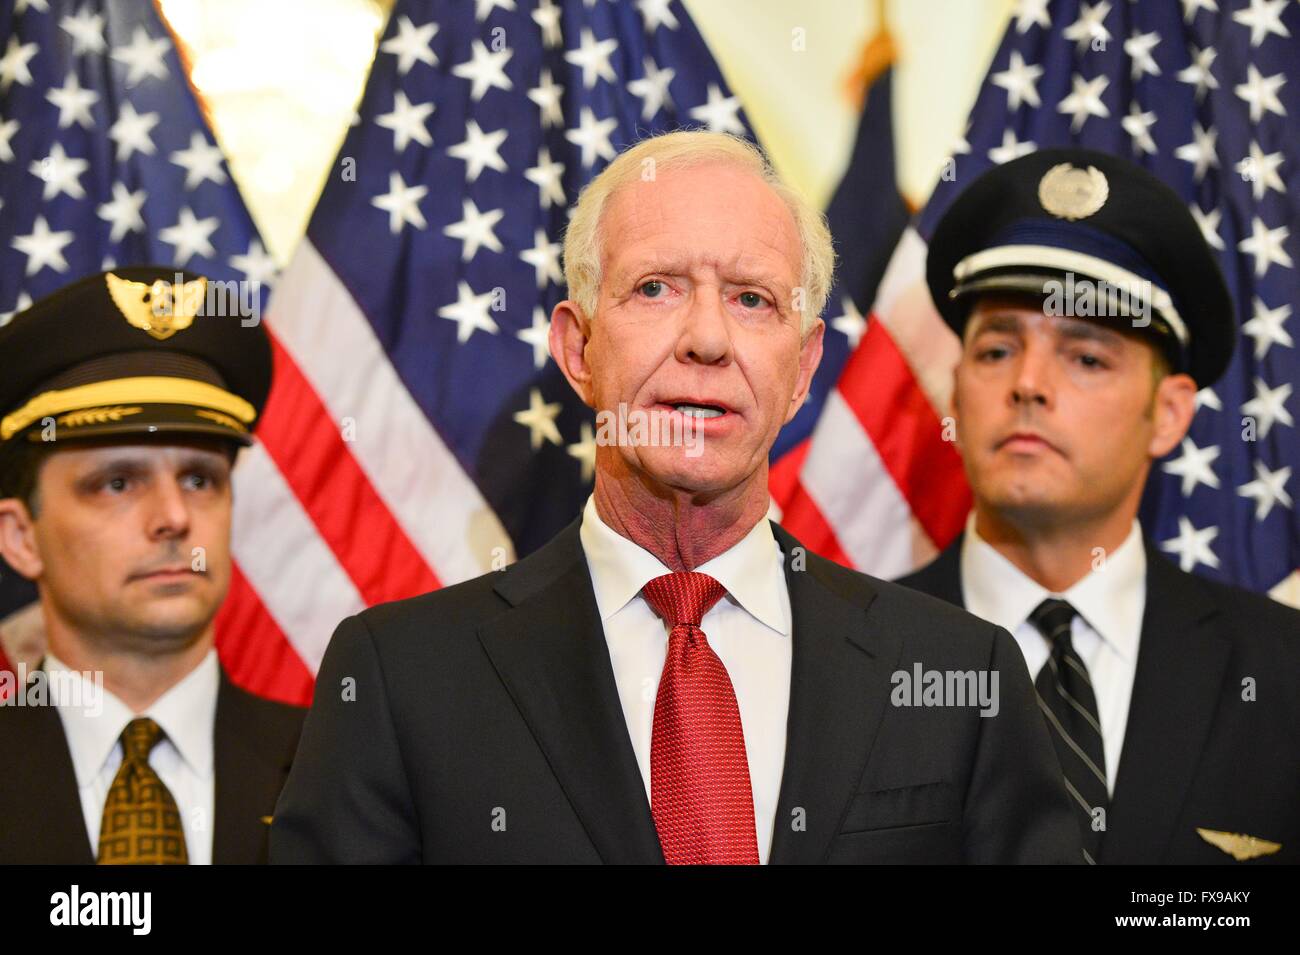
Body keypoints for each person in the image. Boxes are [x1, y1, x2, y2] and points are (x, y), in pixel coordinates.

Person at [271, 130, 1080, 865]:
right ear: (577, 347)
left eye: (751, 298)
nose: (707, 338)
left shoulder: (957, 671)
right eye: (656, 288)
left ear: (801, 372)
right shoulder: (402, 678)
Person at [898, 148, 1299, 864]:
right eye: (995, 350)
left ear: (1170, 414)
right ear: (955, 389)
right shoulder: (840, 664)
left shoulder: (1282, 674)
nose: (1028, 382)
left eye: (1085, 357)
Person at [0, 267, 304, 864]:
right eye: (117, 482)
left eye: (200, 478)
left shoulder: (341, 762)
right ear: (20, 537)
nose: (173, 516)